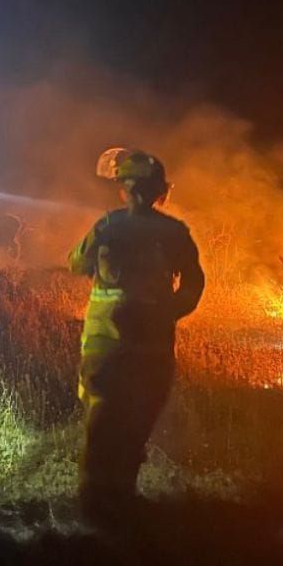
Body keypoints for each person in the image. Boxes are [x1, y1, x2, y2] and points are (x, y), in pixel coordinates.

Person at [69, 148, 205, 526]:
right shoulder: (174, 232)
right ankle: (120, 501)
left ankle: (94, 509)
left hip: (105, 346)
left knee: (101, 426)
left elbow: (75, 262)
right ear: (161, 192)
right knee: (136, 422)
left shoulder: (107, 226)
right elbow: (195, 282)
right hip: (153, 349)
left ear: (123, 190)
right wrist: (170, 310)